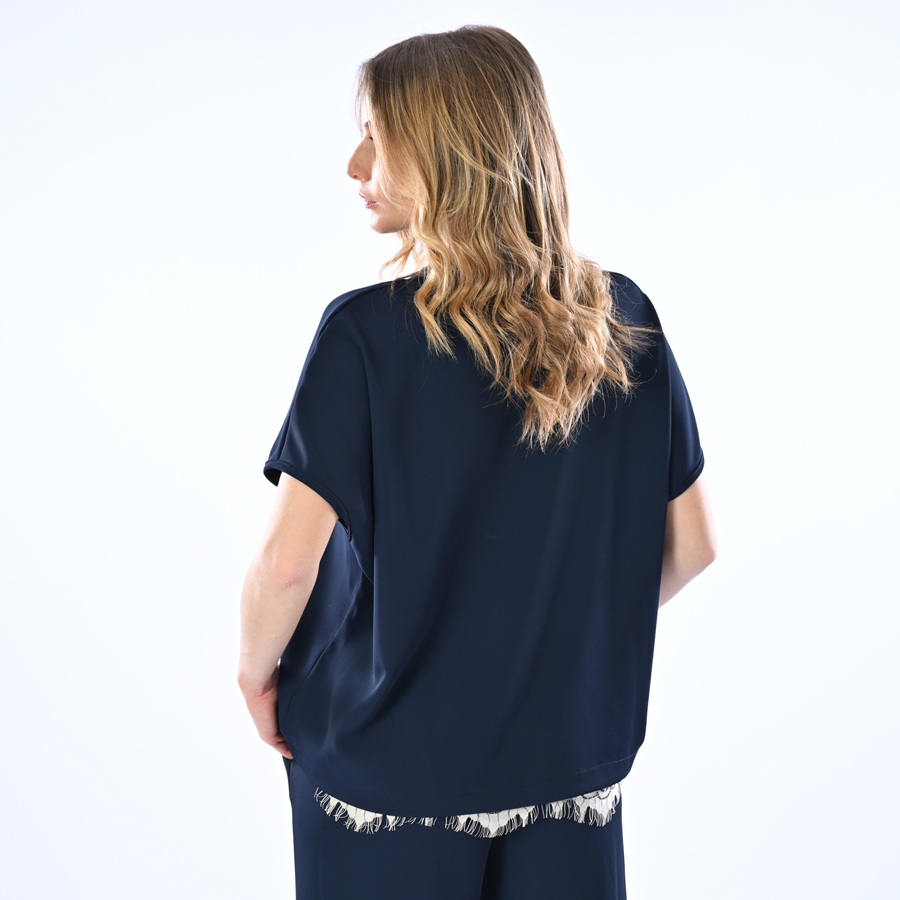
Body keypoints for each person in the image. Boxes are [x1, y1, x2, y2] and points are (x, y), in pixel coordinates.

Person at [238, 23, 717, 900]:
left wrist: (253, 673)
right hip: (566, 765)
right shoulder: (626, 320)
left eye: (378, 138)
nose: (354, 164)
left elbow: (285, 566)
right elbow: (693, 545)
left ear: (445, 154)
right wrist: (545, 635)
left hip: (385, 769)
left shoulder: (363, 337)